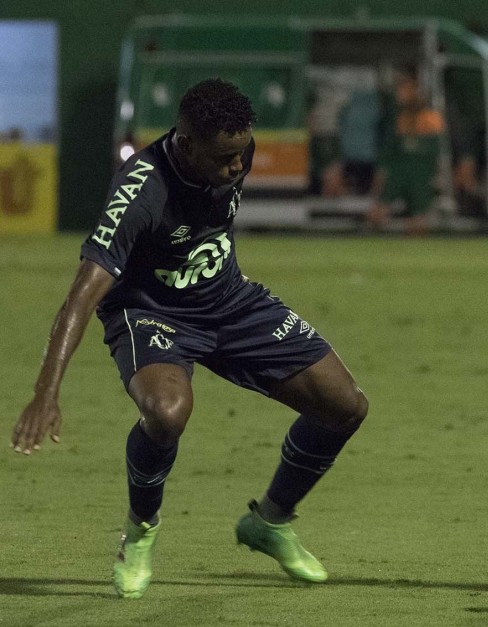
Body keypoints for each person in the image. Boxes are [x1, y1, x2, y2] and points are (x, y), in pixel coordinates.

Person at [9, 79, 369, 599]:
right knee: (167, 412)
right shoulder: (140, 192)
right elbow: (80, 298)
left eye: (243, 154)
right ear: (185, 142)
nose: (237, 168)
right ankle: (140, 530)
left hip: (228, 300)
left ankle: (269, 522)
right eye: (224, 158)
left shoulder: (233, 148)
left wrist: (235, 159)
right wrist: (45, 392)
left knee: (345, 406)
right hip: (150, 313)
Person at [366, 68, 445, 235]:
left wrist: (437, 176)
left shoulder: (431, 118)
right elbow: (389, 150)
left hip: (421, 173)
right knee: (377, 213)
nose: (399, 94)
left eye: (404, 89)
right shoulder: (394, 116)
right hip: (398, 170)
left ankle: (416, 256)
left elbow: (435, 152)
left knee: (418, 220)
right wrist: (381, 174)